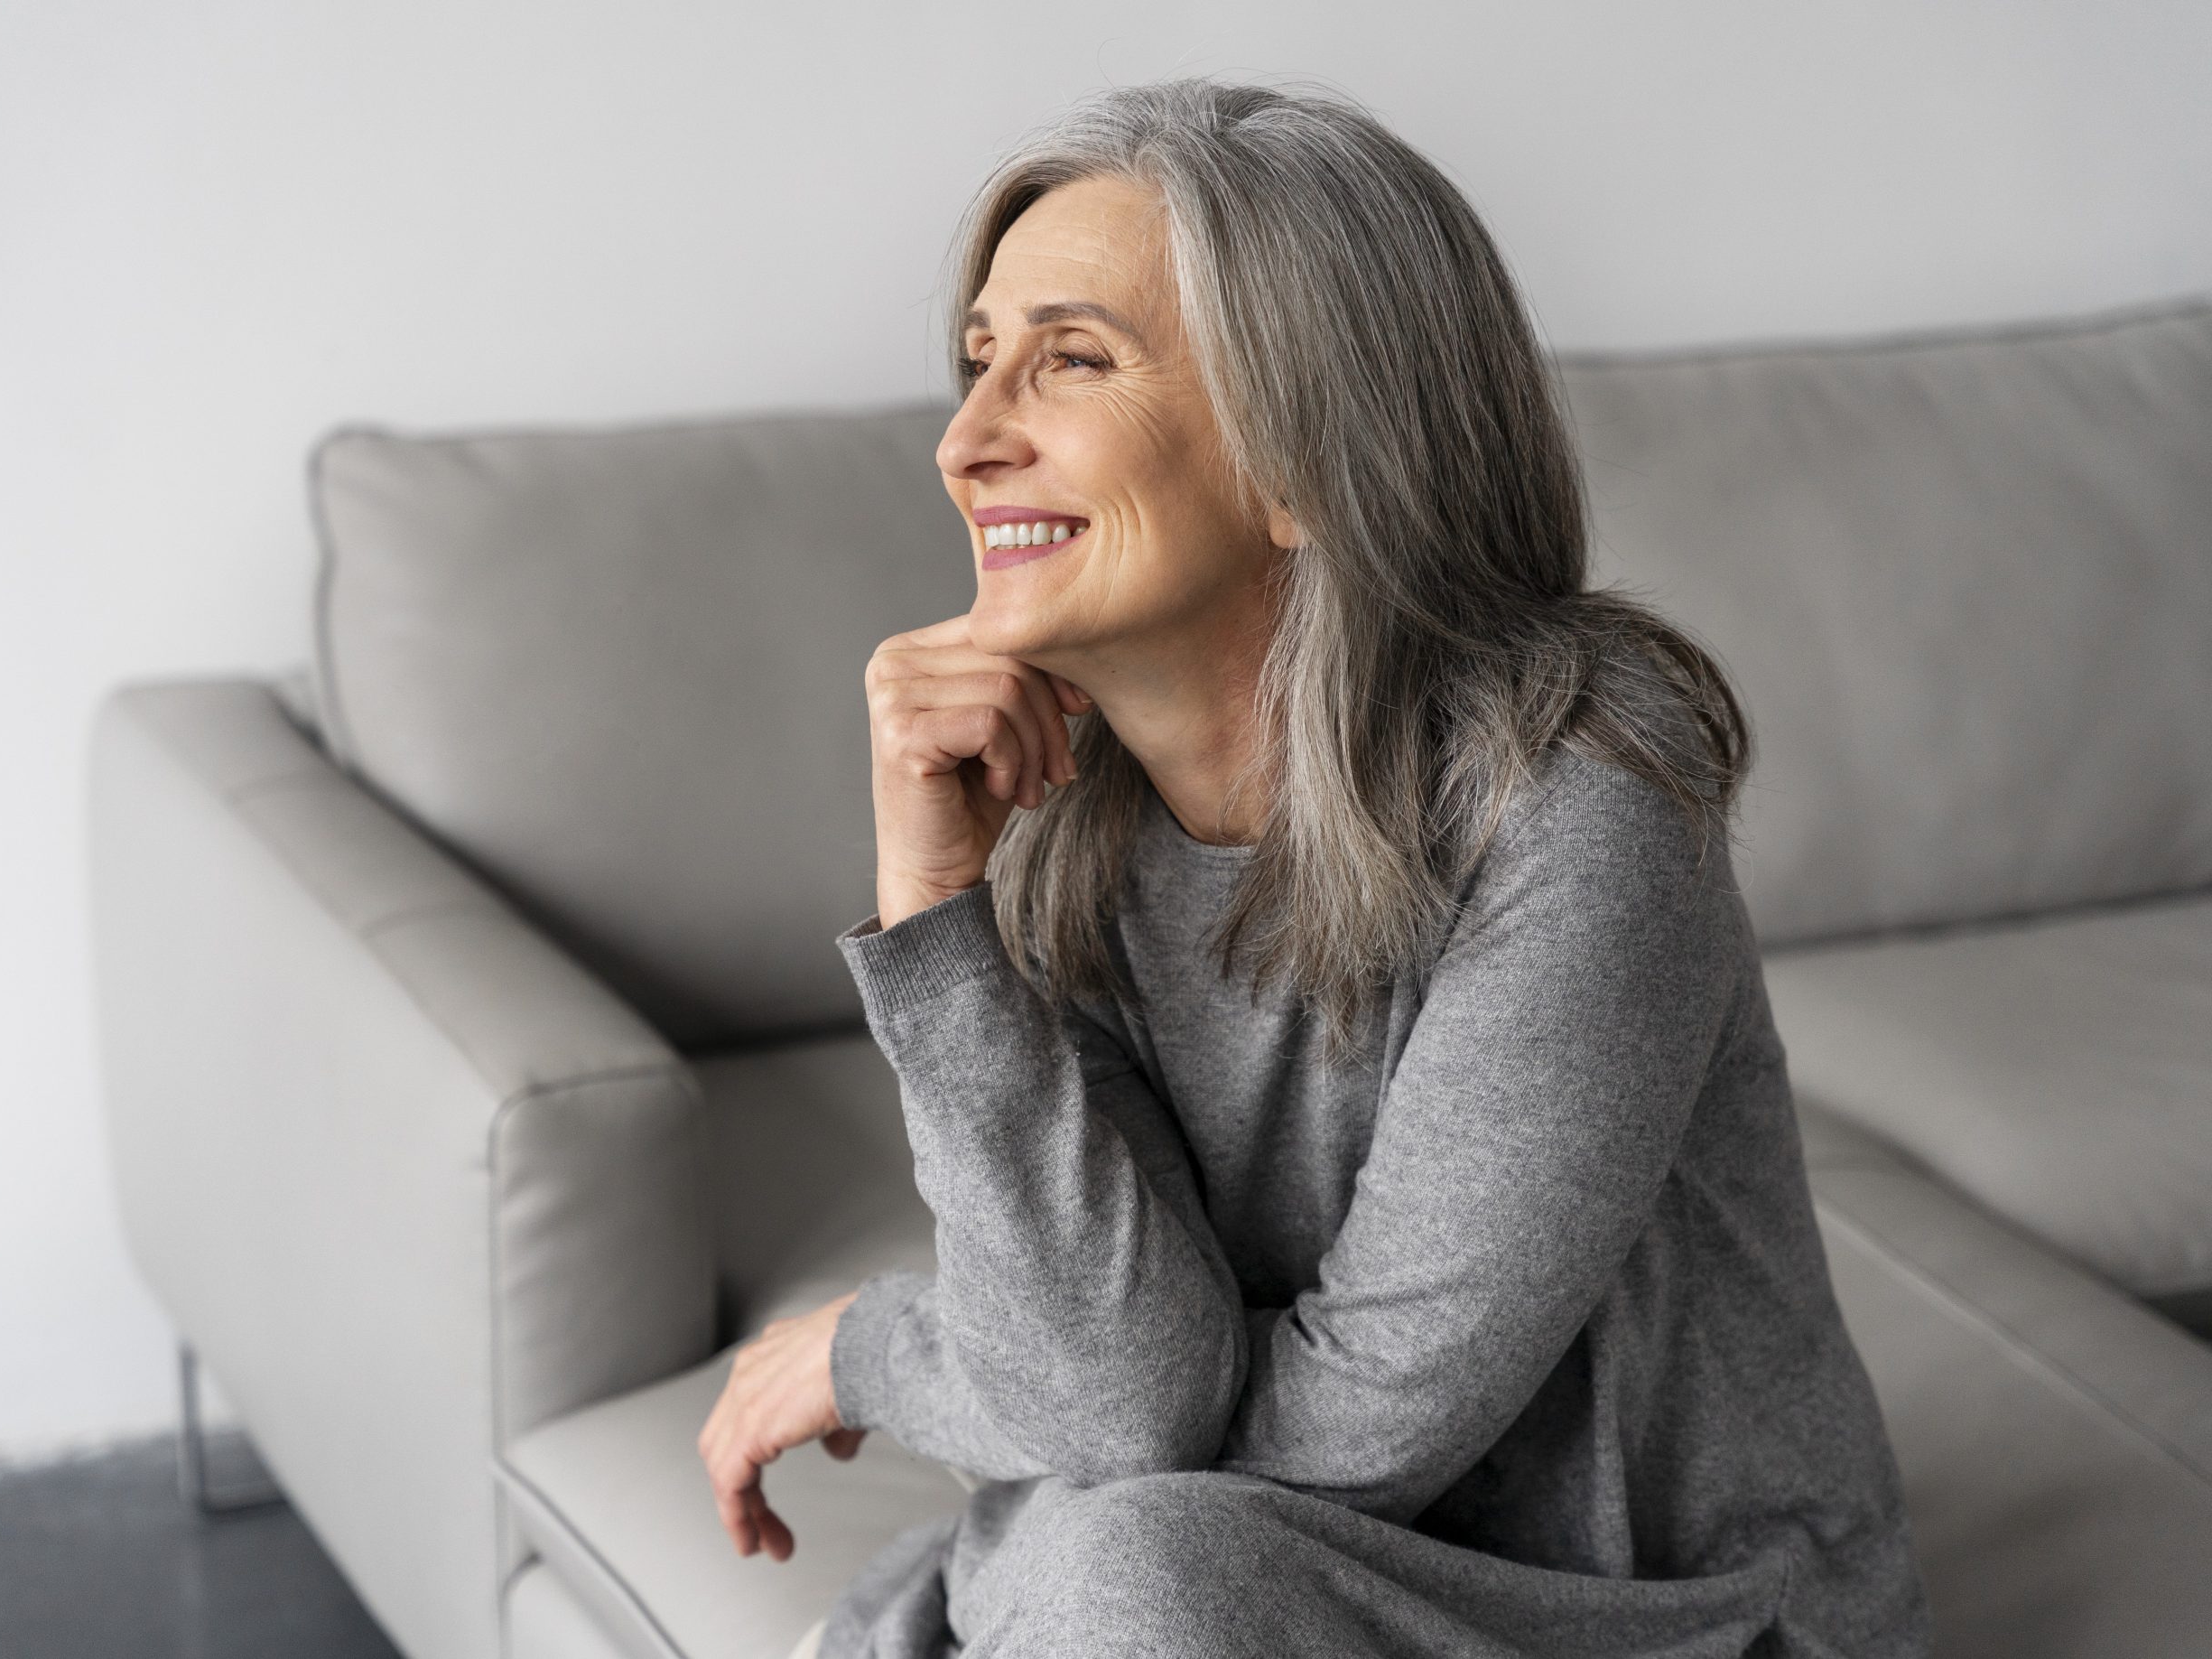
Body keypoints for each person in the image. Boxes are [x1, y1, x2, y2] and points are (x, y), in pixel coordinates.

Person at [697, 78, 1933, 1659]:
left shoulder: (1583, 796)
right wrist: (938, 920)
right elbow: (1122, 1393)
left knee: (1121, 1576)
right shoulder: (1059, 830)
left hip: (1657, 1623)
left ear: (1303, 458)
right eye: (978, 359)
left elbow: (1347, 1443)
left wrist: (886, 1355)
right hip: (1247, 1584)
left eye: (1070, 358)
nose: (966, 441)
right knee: (1121, 1569)